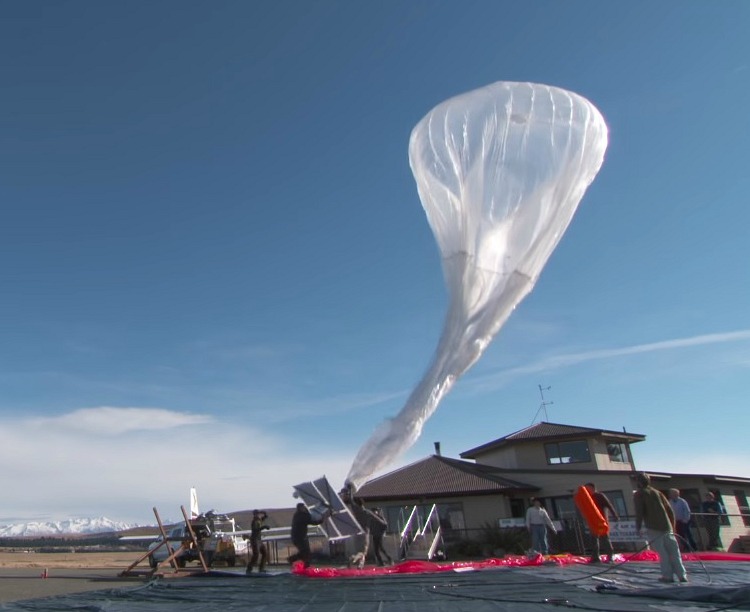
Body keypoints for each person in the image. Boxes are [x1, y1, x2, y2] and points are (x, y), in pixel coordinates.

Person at [633, 472, 687, 583]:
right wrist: (672, 526)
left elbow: (640, 512)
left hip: (654, 527)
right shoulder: (657, 493)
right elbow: (670, 510)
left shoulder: (639, 494)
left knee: (663, 553)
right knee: (674, 552)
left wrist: (638, 527)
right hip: (667, 526)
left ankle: (667, 576)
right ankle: (682, 575)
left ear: (638, 482)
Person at [585, 482, 619, 563]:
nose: (587, 490)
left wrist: (615, 515)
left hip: (602, 520)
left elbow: (609, 505)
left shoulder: (600, 496)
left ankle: (610, 556)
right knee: (594, 538)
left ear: (592, 488)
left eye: (588, 488)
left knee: (605, 538)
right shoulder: (589, 498)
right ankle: (595, 557)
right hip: (593, 521)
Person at [288, 503, 330, 568]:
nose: (305, 508)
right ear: (300, 508)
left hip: (301, 537)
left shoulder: (300, 515)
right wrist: (323, 518)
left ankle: (301, 563)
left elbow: (310, 517)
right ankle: (293, 560)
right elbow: (313, 522)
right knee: (305, 552)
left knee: (306, 552)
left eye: (304, 507)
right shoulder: (300, 516)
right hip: (298, 537)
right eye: (303, 507)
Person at [245, 509, 270, 574]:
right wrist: (264, 527)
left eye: (259, 514)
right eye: (257, 514)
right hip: (255, 540)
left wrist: (264, 513)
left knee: (265, 553)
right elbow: (256, 530)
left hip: (259, 540)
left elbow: (266, 516)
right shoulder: (254, 521)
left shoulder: (259, 520)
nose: (259, 515)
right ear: (255, 515)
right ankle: (249, 568)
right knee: (256, 555)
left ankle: (261, 568)